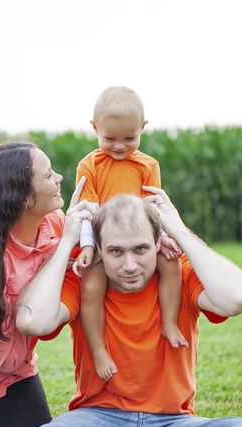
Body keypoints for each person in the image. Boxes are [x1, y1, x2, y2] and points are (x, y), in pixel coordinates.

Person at [17, 189, 242, 427]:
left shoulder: (180, 273)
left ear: (157, 242)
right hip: (96, 420)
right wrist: (66, 244)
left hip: (173, 425)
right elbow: (32, 321)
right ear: (99, 248)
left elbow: (238, 298)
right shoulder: (83, 278)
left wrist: (179, 231)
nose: (130, 265)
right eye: (116, 251)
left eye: (141, 248)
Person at [0, 142, 94, 427]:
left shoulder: (54, 224)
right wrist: (61, 254)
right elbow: (2, 355)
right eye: (48, 175)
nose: (59, 177)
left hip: (13, 377)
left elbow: (96, 252)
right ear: (23, 198)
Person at [74, 86, 186, 381]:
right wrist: (88, 246)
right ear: (95, 128)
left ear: (143, 129)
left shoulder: (148, 165)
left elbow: (154, 209)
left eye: (130, 138)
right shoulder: (90, 165)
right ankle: (98, 349)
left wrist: (163, 239)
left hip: (140, 238)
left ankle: (170, 322)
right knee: (91, 288)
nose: (120, 146)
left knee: (172, 265)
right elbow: (87, 211)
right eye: (109, 138)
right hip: (102, 241)